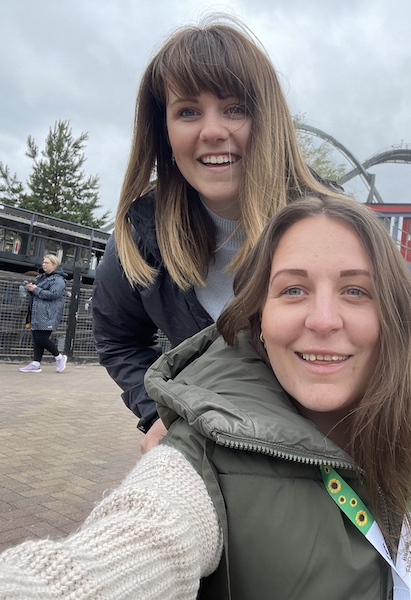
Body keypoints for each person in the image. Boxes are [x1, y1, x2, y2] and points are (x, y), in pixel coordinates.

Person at [0, 195, 411, 599]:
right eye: (292, 289)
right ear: (258, 319)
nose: (322, 319)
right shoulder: (200, 464)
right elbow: (90, 571)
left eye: (355, 290)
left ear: (393, 314)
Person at [92, 17, 337, 453]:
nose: (212, 131)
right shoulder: (139, 236)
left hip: (325, 452)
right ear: (163, 130)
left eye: (235, 108)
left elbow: (389, 345)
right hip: (215, 457)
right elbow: (118, 339)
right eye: (187, 112)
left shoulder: (336, 224)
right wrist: (157, 410)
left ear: (267, 118)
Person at [18, 254, 68, 373]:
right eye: (43, 262)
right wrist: (31, 288)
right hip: (37, 312)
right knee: (36, 337)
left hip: (48, 313)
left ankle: (59, 357)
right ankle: (36, 363)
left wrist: (35, 289)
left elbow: (53, 294)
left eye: (47, 263)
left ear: (55, 265)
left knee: (42, 338)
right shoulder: (42, 277)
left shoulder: (59, 280)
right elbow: (39, 292)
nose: (44, 265)